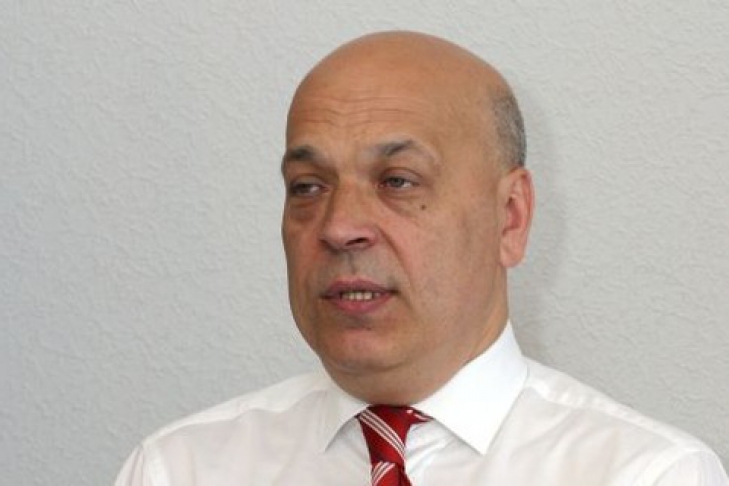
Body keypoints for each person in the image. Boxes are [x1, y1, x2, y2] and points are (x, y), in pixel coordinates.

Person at [115, 31, 728, 485]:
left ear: (510, 217)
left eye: (397, 181)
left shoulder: (648, 474)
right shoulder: (180, 470)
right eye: (308, 186)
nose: (340, 227)